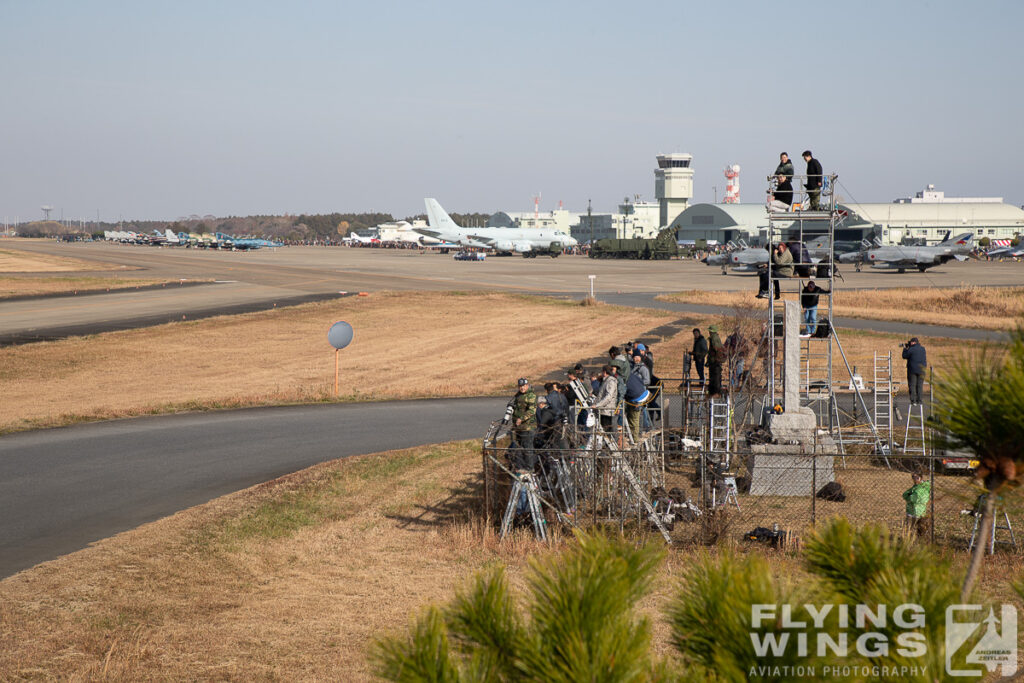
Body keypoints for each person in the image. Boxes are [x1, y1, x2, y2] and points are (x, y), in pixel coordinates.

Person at [510, 378, 537, 471]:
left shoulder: (531, 395)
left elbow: (532, 411)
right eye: (520, 386)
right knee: (520, 448)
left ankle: (529, 468)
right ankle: (521, 466)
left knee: (528, 448)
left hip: (528, 427)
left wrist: (521, 419)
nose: (522, 388)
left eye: (523, 386)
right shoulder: (518, 395)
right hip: (519, 428)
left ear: (527, 385)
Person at [590, 365, 619, 431]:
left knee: (606, 431)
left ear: (605, 372)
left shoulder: (611, 382)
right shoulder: (605, 381)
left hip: (607, 411)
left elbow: (608, 397)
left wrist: (597, 405)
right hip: (603, 410)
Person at [902, 472, 930, 537]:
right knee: (911, 527)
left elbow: (913, 498)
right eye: (913, 477)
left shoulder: (922, 488)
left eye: (917, 478)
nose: (915, 479)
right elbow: (904, 494)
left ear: (921, 478)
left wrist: (909, 496)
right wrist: (909, 495)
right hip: (913, 510)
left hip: (917, 511)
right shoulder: (915, 487)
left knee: (914, 527)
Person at [902, 337, 928, 404]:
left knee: (912, 385)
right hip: (922, 370)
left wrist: (905, 348)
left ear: (913, 342)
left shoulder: (911, 349)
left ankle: (913, 400)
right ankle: (919, 400)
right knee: (919, 386)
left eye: (910, 342)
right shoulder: (923, 349)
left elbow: (904, 356)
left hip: (912, 370)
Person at [707, 325, 724, 397]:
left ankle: (716, 392)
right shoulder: (715, 337)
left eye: (709, 331)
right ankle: (713, 392)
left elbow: (717, 349)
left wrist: (716, 359)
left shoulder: (714, 338)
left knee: (715, 377)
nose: (709, 332)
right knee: (714, 377)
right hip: (714, 361)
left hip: (715, 361)